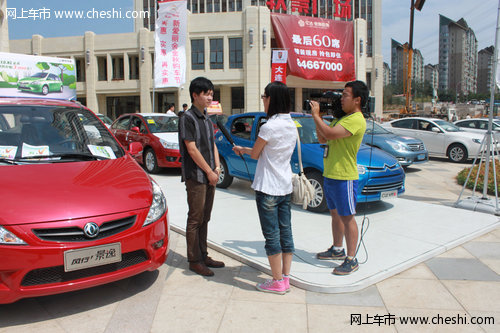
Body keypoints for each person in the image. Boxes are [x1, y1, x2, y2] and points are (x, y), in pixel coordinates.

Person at [233, 81, 297, 294]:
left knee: (271, 235)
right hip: (284, 186)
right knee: (285, 232)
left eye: (264, 96)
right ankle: (285, 277)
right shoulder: (291, 124)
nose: (263, 99)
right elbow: (270, 150)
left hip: (268, 187)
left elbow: (256, 153)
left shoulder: (268, 126)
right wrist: (245, 148)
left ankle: (276, 281)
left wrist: (245, 149)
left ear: (272, 99)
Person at [310, 80, 368, 275]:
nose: (341, 99)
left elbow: (330, 133)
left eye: (345, 95)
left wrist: (316, 116)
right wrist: (318, 120)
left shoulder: (356, 119)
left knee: (348, 217)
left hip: (345, 176)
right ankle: (337, 249)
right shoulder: (341, 119)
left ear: (357, 100)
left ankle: (351, 259)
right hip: (331, 174)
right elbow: (323, 137)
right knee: (335, 214)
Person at [178, 77, 224, 277]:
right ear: (195, 95)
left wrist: (217, 167)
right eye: (206, 93)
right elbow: (192, 149)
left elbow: (212, 144)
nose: (210, 97)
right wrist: (208, 172)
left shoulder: (206, 118)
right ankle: (194, 260)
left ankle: (203, 254)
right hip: (196, 176)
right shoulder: (187, 118)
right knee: (195, 218)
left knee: (205, 217)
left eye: (211, 93)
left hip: (209, 175)